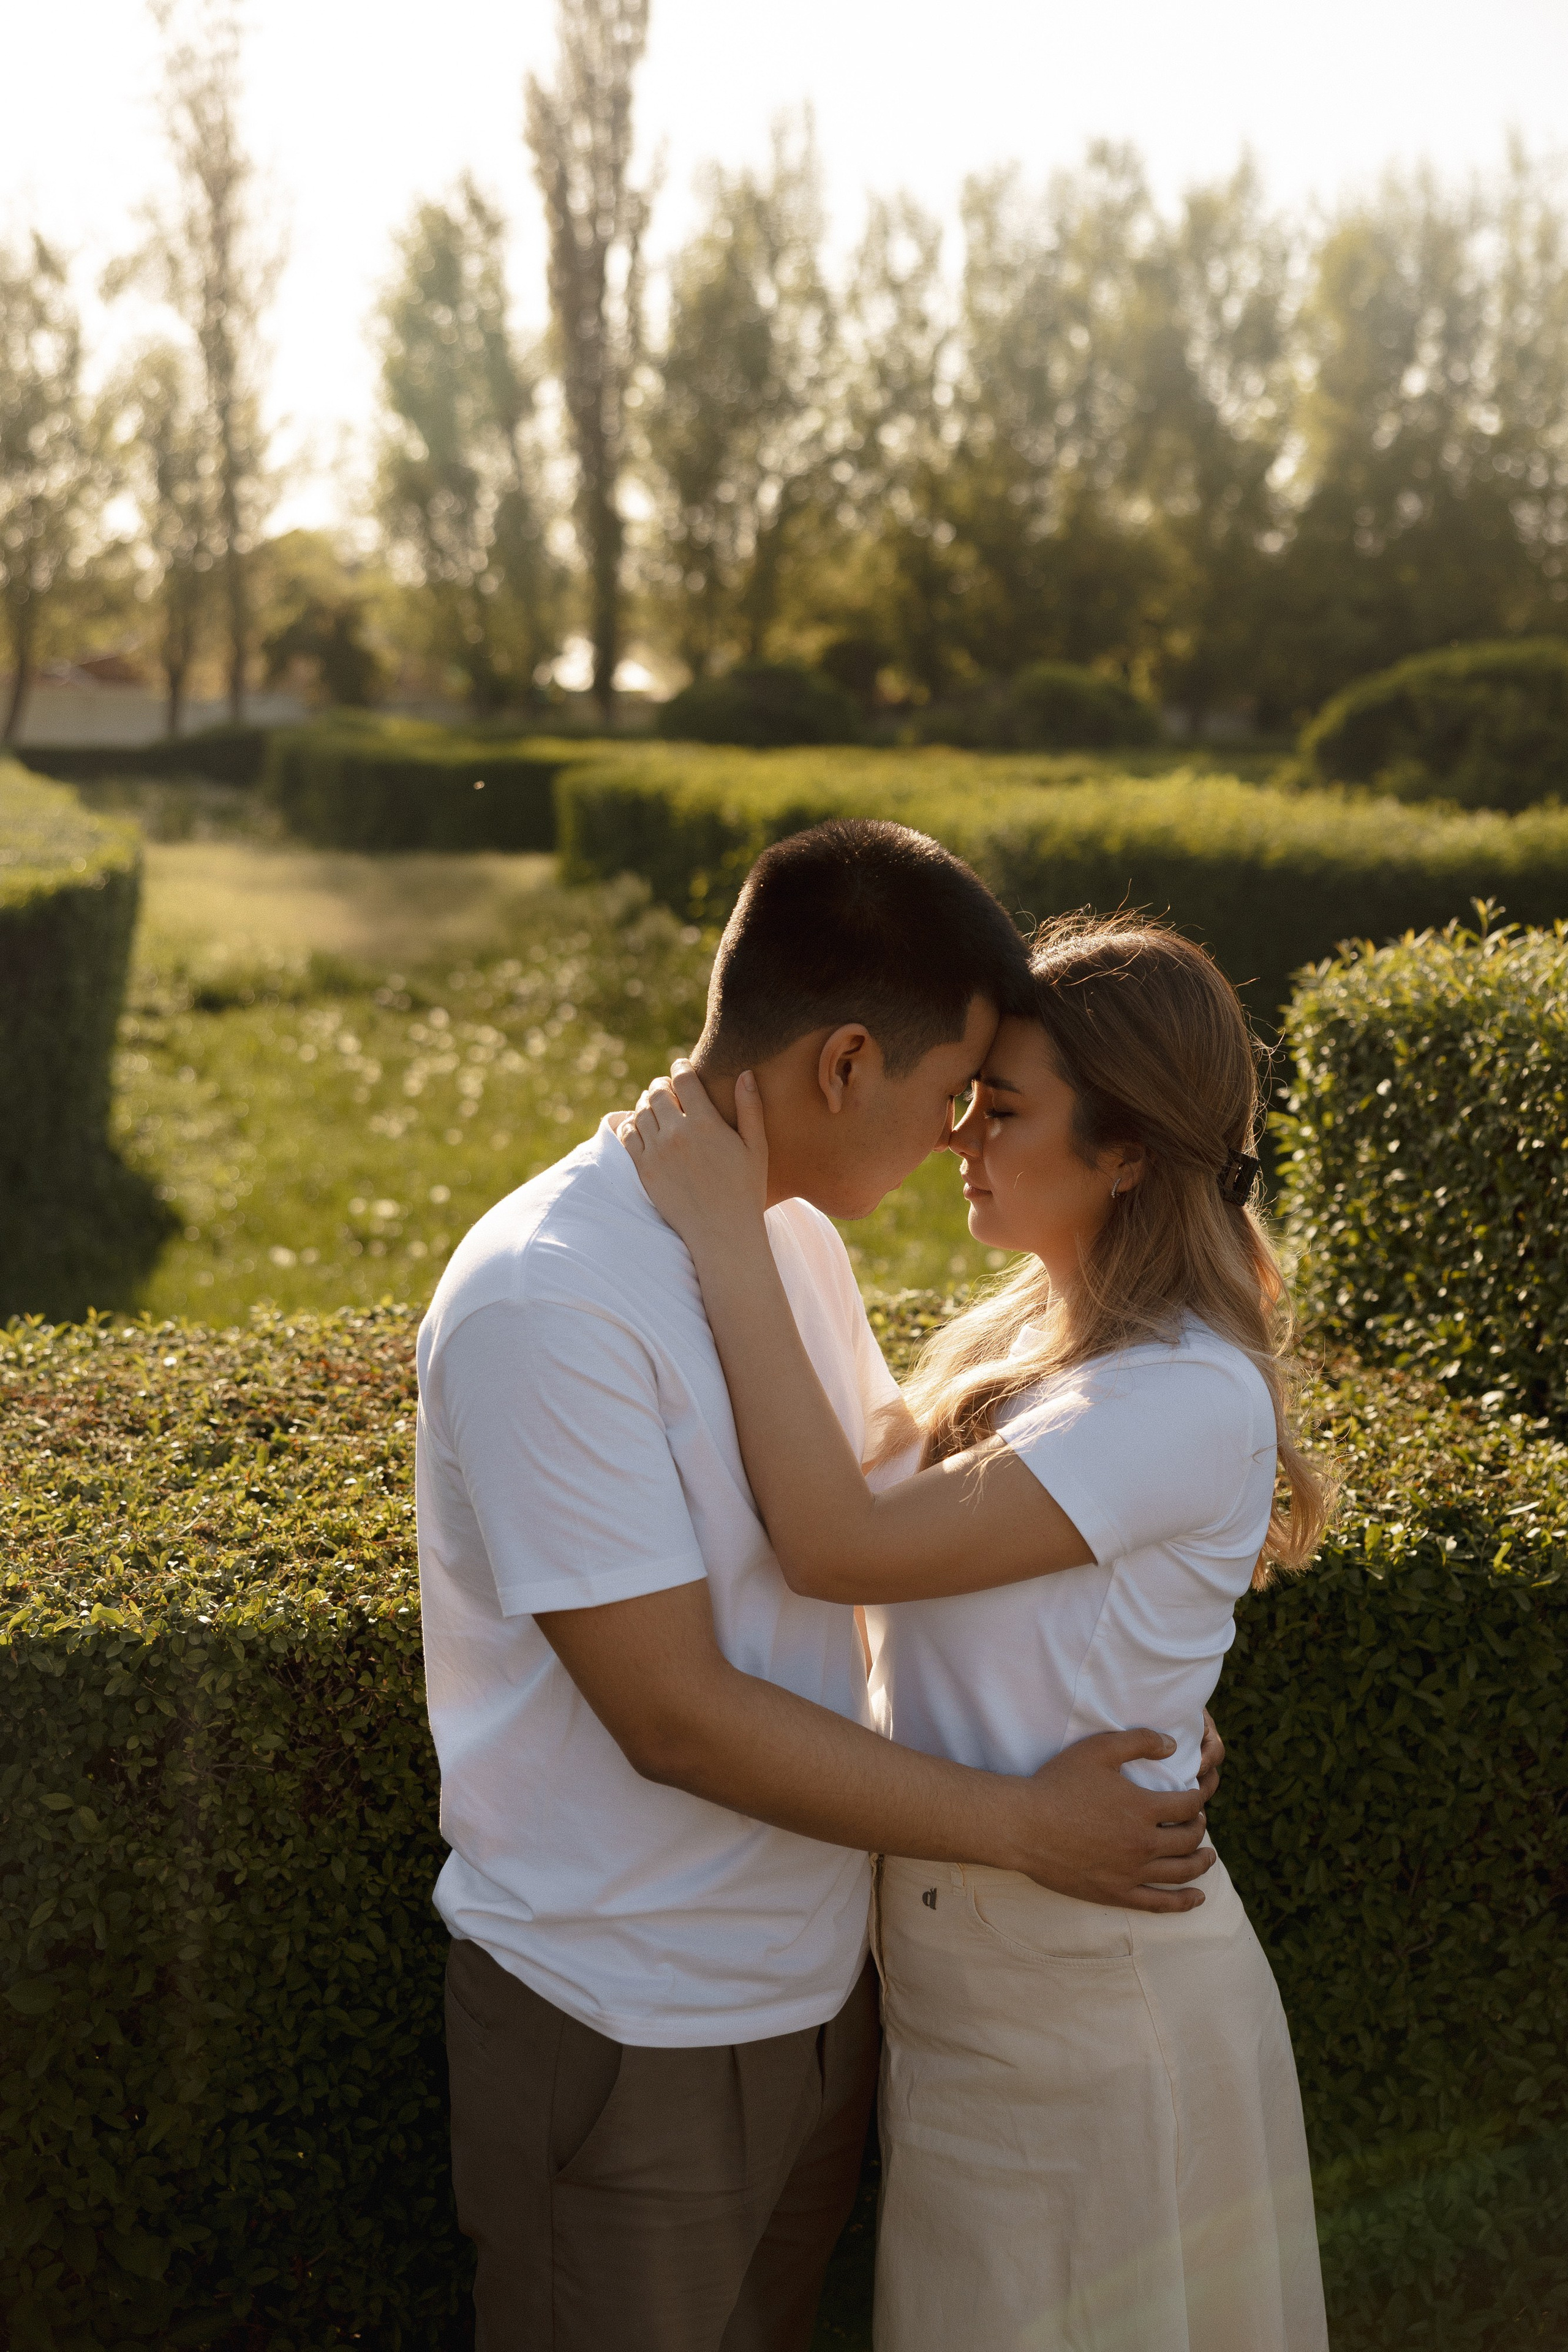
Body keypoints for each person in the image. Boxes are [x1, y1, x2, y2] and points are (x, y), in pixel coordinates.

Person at [416, 827, 1226, 2352]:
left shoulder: (781, 1242)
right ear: (847, 1062)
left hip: (821, 1994)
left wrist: (1124, 1705)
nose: (950, 1141)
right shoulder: (552, 1293)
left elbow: (879, 1534)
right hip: (629, 2021)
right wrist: (1023, 1824)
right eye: (945, 1100)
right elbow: (674, 1719)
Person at [620, 910, 1332, 2352]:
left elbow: (838, 1546)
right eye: (963, 1103)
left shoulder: (1184, 1392)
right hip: (969, 1998)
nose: (959, 1141)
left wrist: (728, 1227)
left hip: (1097, 2015)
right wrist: (1148, 1690)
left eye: (1000, 1113)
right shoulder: (1026, 1340)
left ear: (1125, 1149)